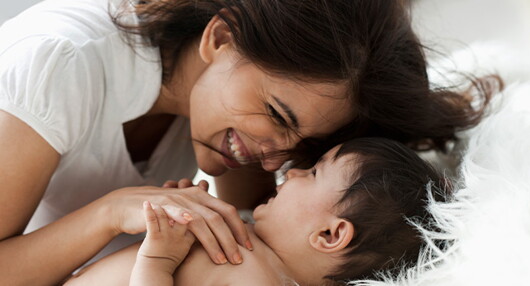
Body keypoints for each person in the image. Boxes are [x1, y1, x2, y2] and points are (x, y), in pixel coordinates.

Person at [0, 0, 497, 284]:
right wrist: (113, 212)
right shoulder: (57, 64)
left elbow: (258, 233)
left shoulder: (248, 128)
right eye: (277, 114)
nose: (274, 156)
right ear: (221, 39)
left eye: (305, 149)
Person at [63, 138, 449, 285]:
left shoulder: (259, 281)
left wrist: (158, 261)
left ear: (330, 235)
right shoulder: (252, 246)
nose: (293, 171)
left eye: (314, 173)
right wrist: (168, 223)